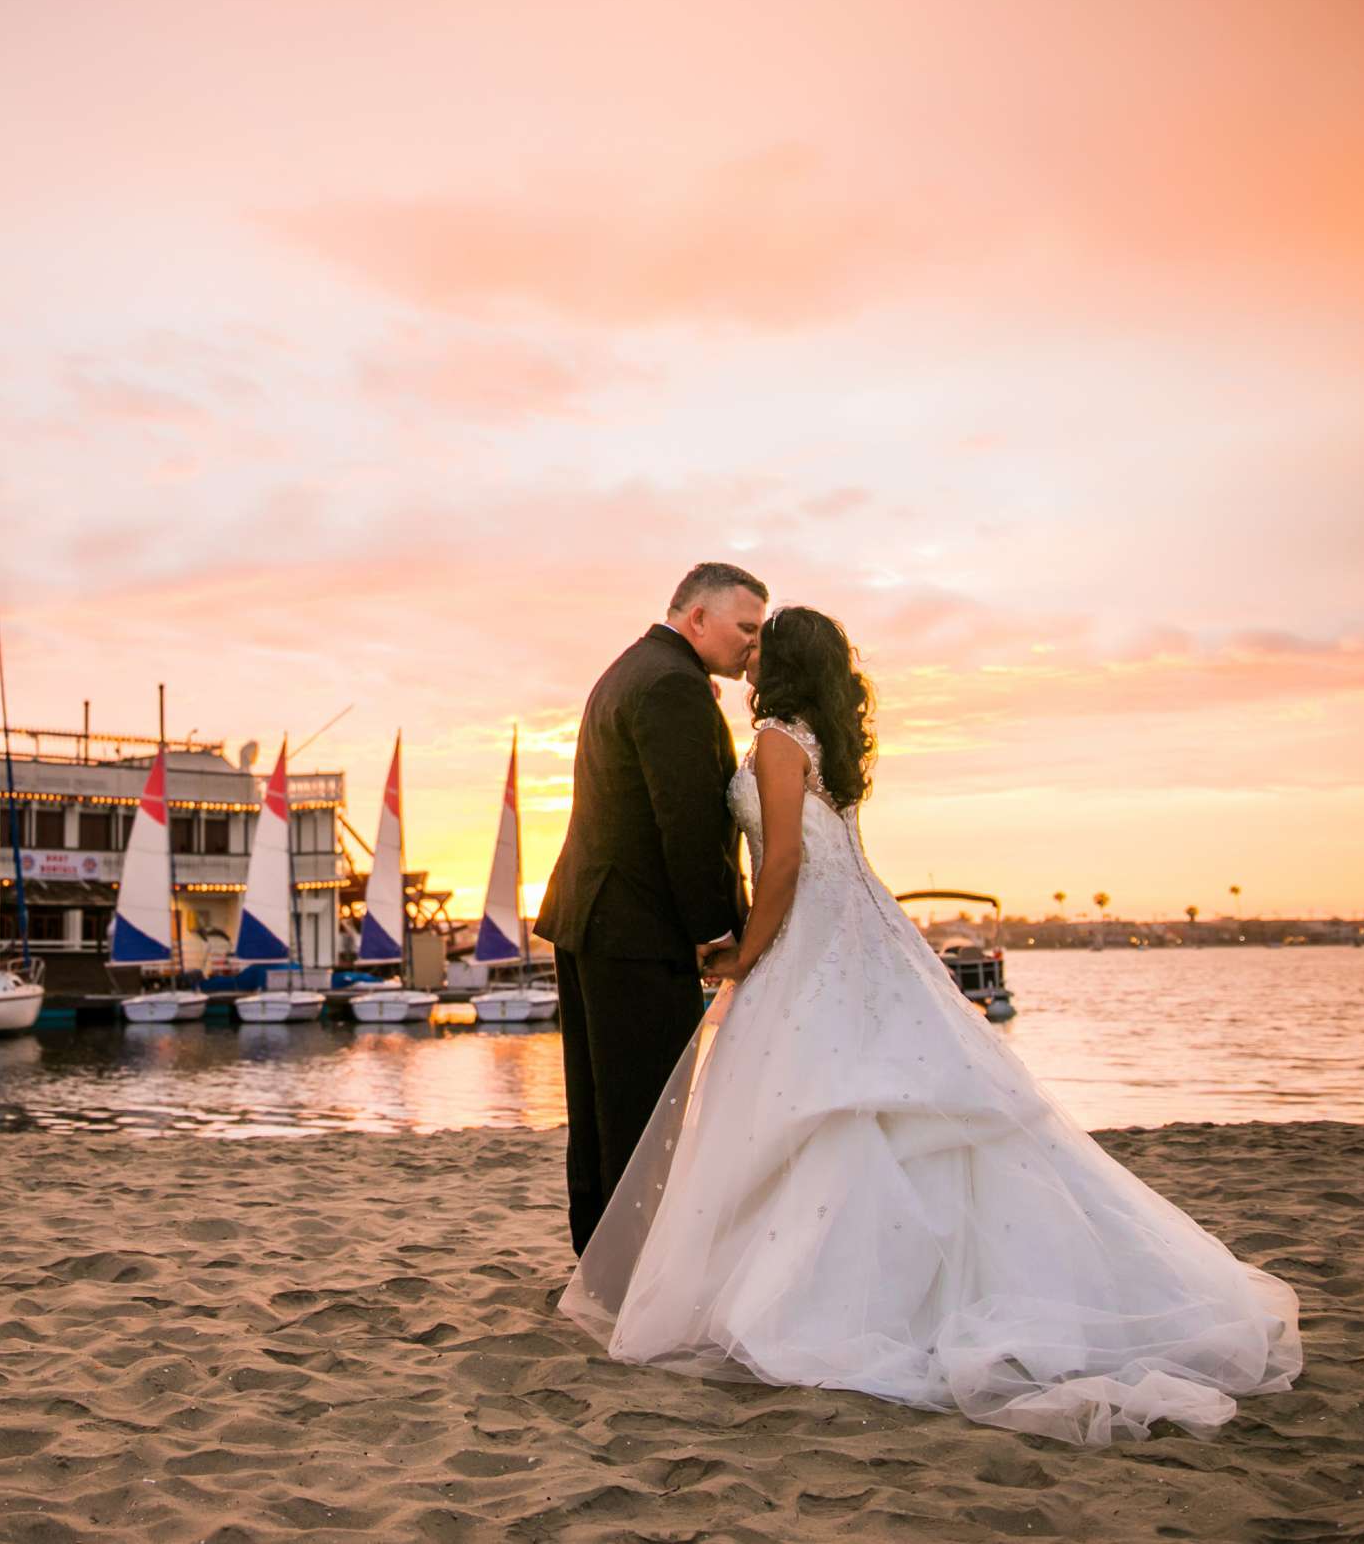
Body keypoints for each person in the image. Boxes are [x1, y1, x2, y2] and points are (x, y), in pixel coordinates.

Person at [559, 605, 1302, 1444]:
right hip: (860, 938)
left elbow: (790, 862)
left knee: (824, 1110)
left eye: (766, 643)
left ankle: (827, 1302)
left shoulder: (775, 737)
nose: (752, 652)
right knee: (861, 1109)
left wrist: (743, 952)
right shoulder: (823, 742)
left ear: (788, 664)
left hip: (808, 940)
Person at [535, 562, 766, 1255]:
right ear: (698, 617)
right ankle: (631, 1271)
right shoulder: (673, 686)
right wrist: (715, 931)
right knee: (644, 1112)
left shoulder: (628, 669)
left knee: (600, 1108)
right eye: (745, 628)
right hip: (635, 929)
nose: (753, 647)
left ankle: (598, 1262)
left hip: (590, 917)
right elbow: (687, 824)